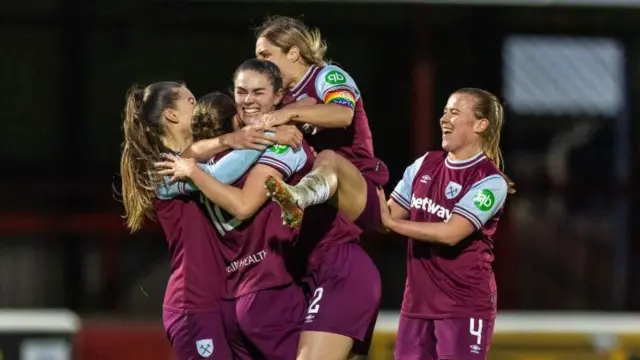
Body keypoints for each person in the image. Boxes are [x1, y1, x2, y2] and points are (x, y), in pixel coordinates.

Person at [156, 59, 381, 360]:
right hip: (283, 281)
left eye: (257, 92)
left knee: (330, 161)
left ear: (278, 97)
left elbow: (319, 106)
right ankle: (332, 197)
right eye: (241, 92)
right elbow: (243, 203)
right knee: (329, 159)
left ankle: (314, 194)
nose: (248, 100)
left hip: (280, 282)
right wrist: (277, 127)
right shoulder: (263, 149)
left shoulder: (208, 161)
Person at [378, 88, 515, 360]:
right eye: (444, 111)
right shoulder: (424, 165)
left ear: (480, 125)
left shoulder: (489, 181)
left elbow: (451, 233)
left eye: (454, 112)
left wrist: (389, 222)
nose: (444, 119)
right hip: (416, 304)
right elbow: (386, 215)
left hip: (463, 306)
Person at [119, 81, 234, 360]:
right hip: (194, 303)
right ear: (171, 115)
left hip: (226, 300)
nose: (199, 106)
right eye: (191, 101)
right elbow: (218, 175)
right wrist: (249, 140)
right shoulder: (163, 169)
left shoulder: (207, 159)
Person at [254, 15, 389, 234]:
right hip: (322, 201)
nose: (261, 65)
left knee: (328, 158)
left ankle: (298, 197)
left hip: (358, 186)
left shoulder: (327, 76)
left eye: (265, 56)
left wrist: (291, 113)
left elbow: (343, 113)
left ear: (294, 52)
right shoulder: (281, 97)